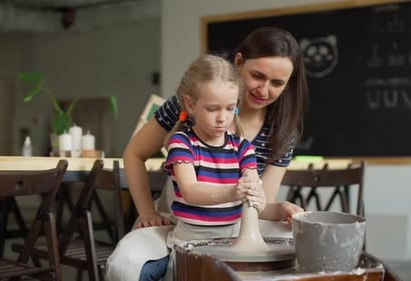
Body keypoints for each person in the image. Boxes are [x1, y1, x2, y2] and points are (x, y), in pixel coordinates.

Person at [105, 26, 308, 281]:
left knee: (297, 244)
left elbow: (257, 204)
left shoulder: (282, 132)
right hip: (178, 220)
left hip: (234, 223)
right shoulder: (188, 105)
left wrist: (282, 209)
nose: (263, 90)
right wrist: (147, 213)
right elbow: (134, 154)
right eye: (257, 75)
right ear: (238, 62)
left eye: (277, 83)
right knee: (124, 266)